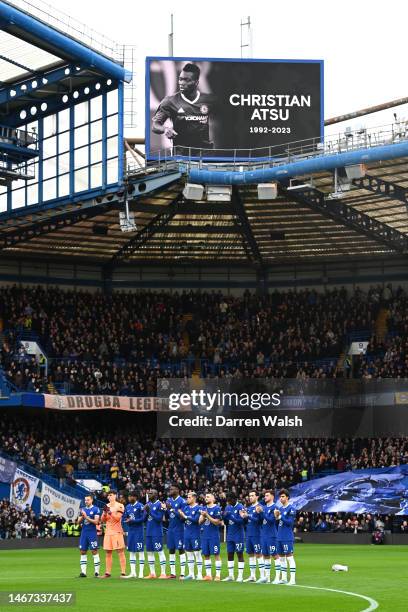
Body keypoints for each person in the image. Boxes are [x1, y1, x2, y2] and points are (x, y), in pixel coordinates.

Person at [152, 63, 214, 152]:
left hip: (204, 157)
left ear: (196, 82)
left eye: (187, 80)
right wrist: (165, 129)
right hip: (181, 158)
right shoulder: (170, 101)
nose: (182, 83)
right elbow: (155, 126)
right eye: (180, 79)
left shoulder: (209, 100)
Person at [99, 490, 126, 579]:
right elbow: (102, 520)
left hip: (117, 532)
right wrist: (105, 512)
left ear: (115, 495)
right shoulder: (106, 506)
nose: (109, 497)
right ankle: (107, 573)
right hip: (108, 532)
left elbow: (117, 518)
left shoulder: (120, 505)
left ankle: (123, 572)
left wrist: (110, 512)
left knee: (120, 551)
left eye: (111, 495)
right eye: (108, 495)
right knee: (108, 552)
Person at [255, 489, 281, 584]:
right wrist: (257, 513)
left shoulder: (275, 507)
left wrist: (261, 512)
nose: (265, 497)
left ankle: (278, 577)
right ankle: (267, 577)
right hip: (264, 535)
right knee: (265, 555)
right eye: (265, 496)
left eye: (267, 495)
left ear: (272, 497)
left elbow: (271, 520)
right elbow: (261, 521)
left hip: (271, 535)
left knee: (275, 555)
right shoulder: (265, 507)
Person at [178, 491, 203, 580]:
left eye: (189, 497)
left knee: (197, 553)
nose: (187, 499)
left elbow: (196, 520)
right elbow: (182, 520)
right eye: (187, 497)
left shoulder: (199, 508)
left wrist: (185, 516)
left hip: (195, 533)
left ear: (194, 498)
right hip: (187, 533)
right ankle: (191, 574)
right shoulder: (186, 508)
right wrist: (179, 514)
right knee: (189, 554)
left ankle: (199, 574)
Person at [144, 489, 167, 579]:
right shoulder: (148, 504)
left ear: (156, 495)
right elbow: (145, 518)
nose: (149, 495)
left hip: (157, 532)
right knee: (149, 552)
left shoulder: (160, 504)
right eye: (148, 493)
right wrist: (144, 511)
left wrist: (149, 511)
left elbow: (159, 518)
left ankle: (163, 573)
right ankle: (152, 573)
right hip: (149, 531)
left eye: (151, 493)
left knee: (160, 551)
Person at [240, 490, 263, 582]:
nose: (250, 497)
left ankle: (262, 576)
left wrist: (247, 516)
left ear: (257, 497)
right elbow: (246, 521)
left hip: (257, 534)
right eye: (249, 496)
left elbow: (258, 520)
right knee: (250, 555)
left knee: (258, 554)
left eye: (252, 495)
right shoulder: (248, 508)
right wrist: (243, 517)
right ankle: (252, 576)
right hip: (248, 534)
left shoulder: (259, 507)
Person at [275, 488, 296, 585]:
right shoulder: (280, 509)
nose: (281, 498)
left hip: (287, 536)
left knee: (289, 557)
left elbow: (290, 523)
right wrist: (276, 517)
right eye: (280, 497)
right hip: (279, 536)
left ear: (287, 497)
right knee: (282, 558)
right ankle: (283, 578)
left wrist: (280, 517)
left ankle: (292, 579)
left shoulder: (291, 509)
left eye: (283, 496)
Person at [199, 492, 222, 581]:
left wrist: (207, 515)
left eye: (208, 497)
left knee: (216, 554)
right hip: (205, 535)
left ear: (213, 499)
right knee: (206, 555)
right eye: (206, 497)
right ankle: (208, 575)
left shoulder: (217, 508)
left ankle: (218, 575)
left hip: (213, 536)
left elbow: (217, 522)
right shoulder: (204, 509)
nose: (206, 498)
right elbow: (199, 522)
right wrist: (203, 516)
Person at [222, 493, 245, 582]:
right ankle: (231, 576)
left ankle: (240, 576)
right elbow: (227, 523)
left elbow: (241, 522)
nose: (229, 502)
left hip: (238, 535)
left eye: (230, 500)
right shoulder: (228, 507)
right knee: (230, 554)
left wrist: (230, 516)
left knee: (239, 554)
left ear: (235, 499)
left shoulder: (241, 507)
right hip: (230, 534)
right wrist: (224, 517)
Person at [77, 494, 101, 578]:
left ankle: (97, 572)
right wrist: (82, 516)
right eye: (85, 500)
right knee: (82, 551)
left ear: (92, 500)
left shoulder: (96, 509)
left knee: (94, 551)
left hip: (92, 533)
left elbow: (96, 522)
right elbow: (78, 522)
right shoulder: (82, 509)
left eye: (88, 500)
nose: (86, 501)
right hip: (84, 533)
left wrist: (86, 517)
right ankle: (83, 572)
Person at [123, 492, 145, 579]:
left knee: (140, 551)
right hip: (131, 531)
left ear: (135, 497)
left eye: (131, 496)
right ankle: (133, 573)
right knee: (131, 551)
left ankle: (141, 573)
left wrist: (132, 521)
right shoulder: (127, 507)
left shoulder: (140, 506)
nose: (129, 498)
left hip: (139, 531)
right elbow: (125, 517)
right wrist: (127, 521)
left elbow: (143, 518)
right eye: (128, 496)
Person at [166, 484, 186, 579]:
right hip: (170, 529)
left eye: (172, 489)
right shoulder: (168, 501)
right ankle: (172, 573)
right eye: (169, 489)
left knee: (181, 549)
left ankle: (182, 573)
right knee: (171, 550)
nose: (170, 490)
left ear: (177, 490)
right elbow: (167, 516)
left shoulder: (182, 501)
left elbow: (183, 518)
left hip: (179, 529)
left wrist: (172, 509)